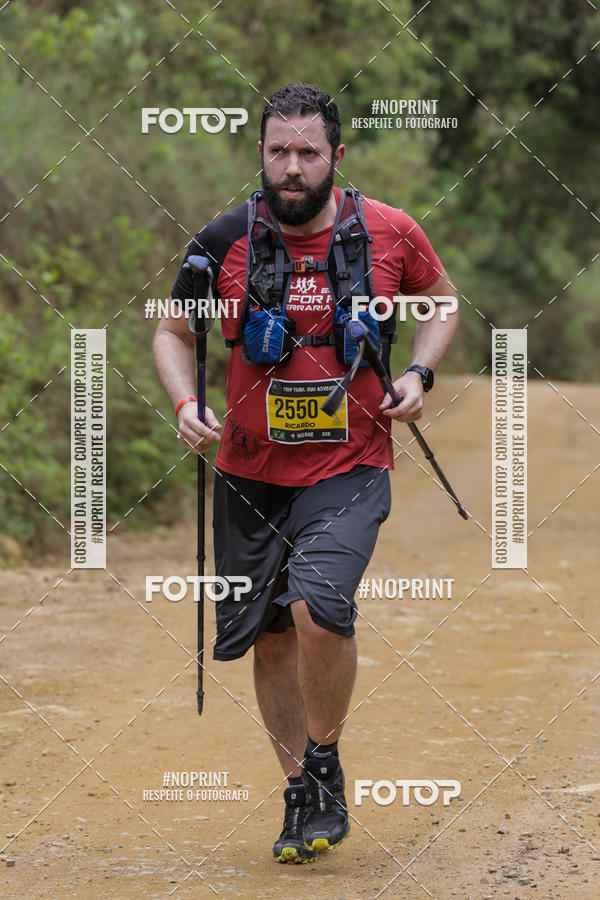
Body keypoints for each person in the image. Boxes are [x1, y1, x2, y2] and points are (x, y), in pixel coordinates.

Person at [153, 81, 458, 864]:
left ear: (336, 156)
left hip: (350, 463)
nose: (292, 167)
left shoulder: (390, 231)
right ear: (260, 152)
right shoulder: (222, 239)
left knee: (320, 610)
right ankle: (304, 792)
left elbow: (443, 302)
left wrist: (418, 375)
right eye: (278, 151)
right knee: (272, 637)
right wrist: (186, 401)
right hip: (248, 471)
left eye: (308, 153)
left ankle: (323, 760)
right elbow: (173, 332)